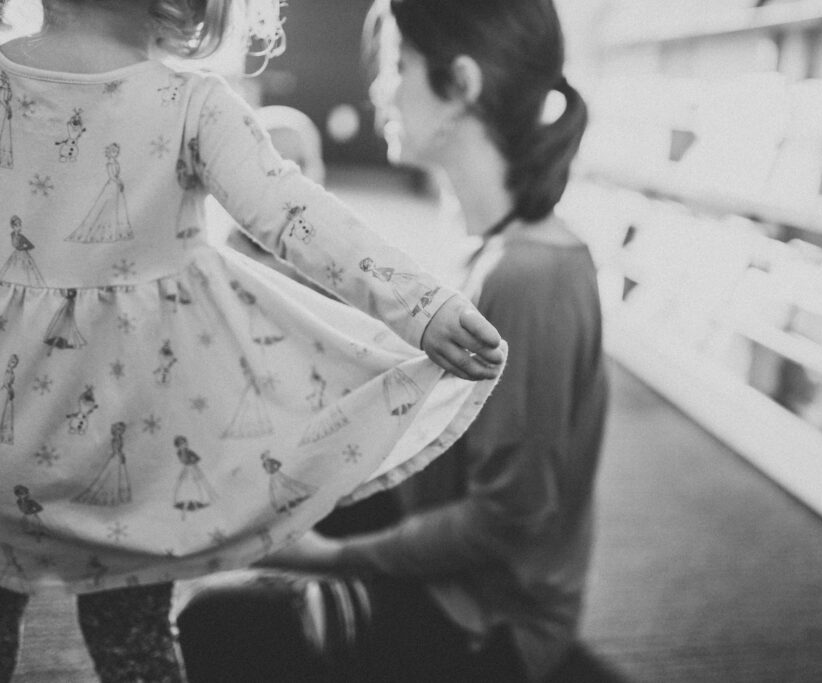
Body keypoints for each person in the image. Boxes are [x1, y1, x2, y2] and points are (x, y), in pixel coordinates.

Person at [0, 0, 507, 680]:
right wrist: (420, 304)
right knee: (135, 642)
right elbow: (295, 214)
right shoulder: (190, 102)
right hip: (131, 447)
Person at [177, 0, 608, 681]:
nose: (380, 87)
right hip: (441, 534)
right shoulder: (488, 246)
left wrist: (331, 558)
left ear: (461, 84)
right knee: (274, 484)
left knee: (217, 624)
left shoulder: (533, 277)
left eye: (399, 65)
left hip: (490, 618)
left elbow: (508, 519)